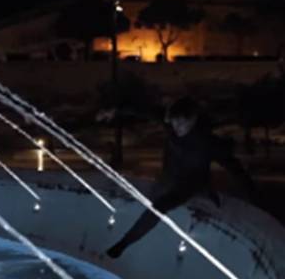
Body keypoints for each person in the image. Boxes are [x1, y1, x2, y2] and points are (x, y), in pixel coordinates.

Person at [106, 96, 255, 259]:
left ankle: (123, 244)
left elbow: (235, 168)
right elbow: (143, 109)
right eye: (174, 123)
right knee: (158, 197)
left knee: (159, 207)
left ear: (192, 120)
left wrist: (253, 195)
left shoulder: (208, 142)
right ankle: (124, 243)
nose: (177, 128)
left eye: (181, 124)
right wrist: (113, 110)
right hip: (171, 175)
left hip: (190, 184)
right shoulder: (171, 125)